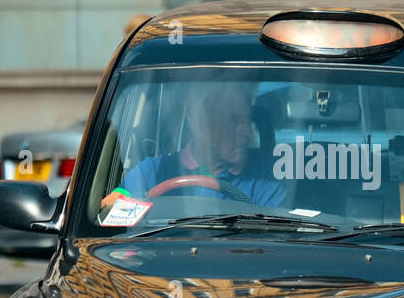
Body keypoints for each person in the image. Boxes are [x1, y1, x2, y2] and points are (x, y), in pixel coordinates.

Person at [100, 82, 286, 212]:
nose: (248, 132)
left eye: (248, 121)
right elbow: (111, 206)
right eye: (234, 120)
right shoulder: (152, 172)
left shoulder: (265, 178)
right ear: (201, 124)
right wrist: (118, 201)